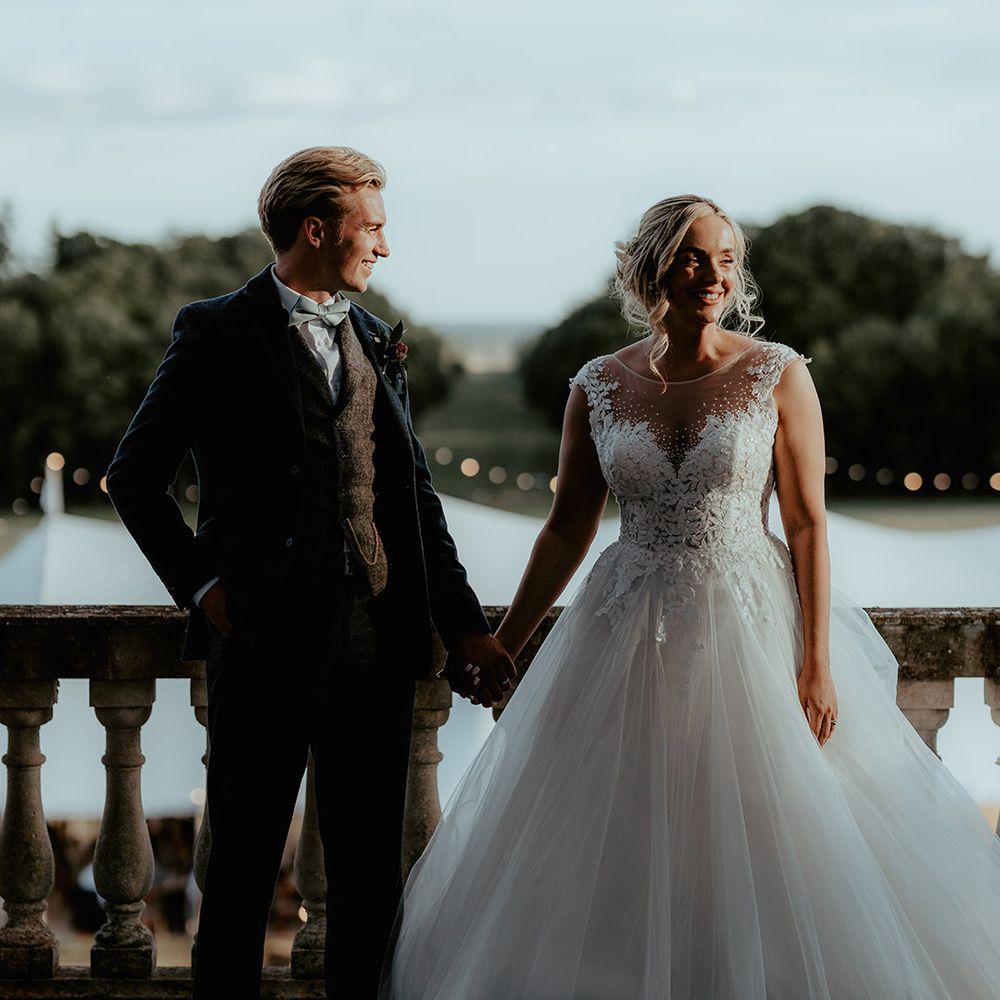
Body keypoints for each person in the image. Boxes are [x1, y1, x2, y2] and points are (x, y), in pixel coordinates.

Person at [382, 195, 1000, 998]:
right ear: (654, 269)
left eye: (726, 260)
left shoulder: (778, 373)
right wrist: (507, 637)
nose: (714, 275)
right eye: (694, 257)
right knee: (627, 830)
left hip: (749, 625)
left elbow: (809, 525)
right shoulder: (597, 384)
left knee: (766, 826)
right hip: (624, 629)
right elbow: (567, 530)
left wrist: (815, 661)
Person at [105, 146, 515, 999]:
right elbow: (133, 478)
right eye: (373, 228)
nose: (385, 248)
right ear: (317, 228)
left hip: (379, 645)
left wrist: (464, 621)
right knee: (243, 873)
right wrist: (205, 589)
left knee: (370, 881)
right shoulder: (215, 330)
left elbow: (412, 501)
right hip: (259, 645)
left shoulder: (375, 337)